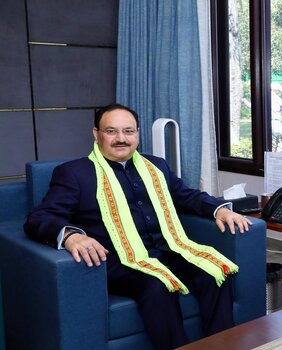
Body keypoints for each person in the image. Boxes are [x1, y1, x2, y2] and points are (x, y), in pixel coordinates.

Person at [24, 103, 252, 350]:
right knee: (157, 286)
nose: (121, 139)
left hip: (166, 250)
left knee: (214, 274)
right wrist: (70, 236)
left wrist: (219, 209)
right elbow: (40, 218)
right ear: (96, 134)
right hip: (119, 261)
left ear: (138, 134)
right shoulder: (75, 173)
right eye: (111, 131)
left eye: (128, 131)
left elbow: (185, 195)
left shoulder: (156, 166)